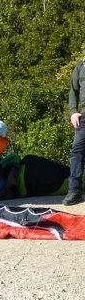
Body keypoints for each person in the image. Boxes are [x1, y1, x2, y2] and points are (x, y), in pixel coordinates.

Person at [63, 57, 85, 206]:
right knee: (77, 152)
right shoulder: (81, 65)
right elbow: (73, 90)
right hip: (83, 116)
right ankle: (74, 191)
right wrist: (73, 111)